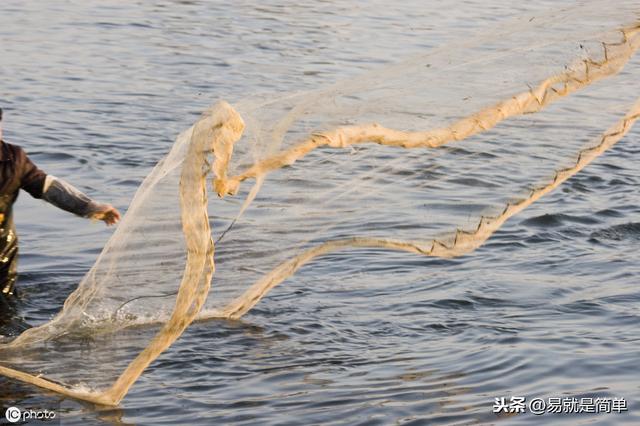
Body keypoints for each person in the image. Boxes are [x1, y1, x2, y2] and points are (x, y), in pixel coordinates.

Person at [0, 108, 121, 304]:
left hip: (2, 250)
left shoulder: (13, 158)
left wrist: (89, 207)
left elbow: (46, 186)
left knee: (4, 305)